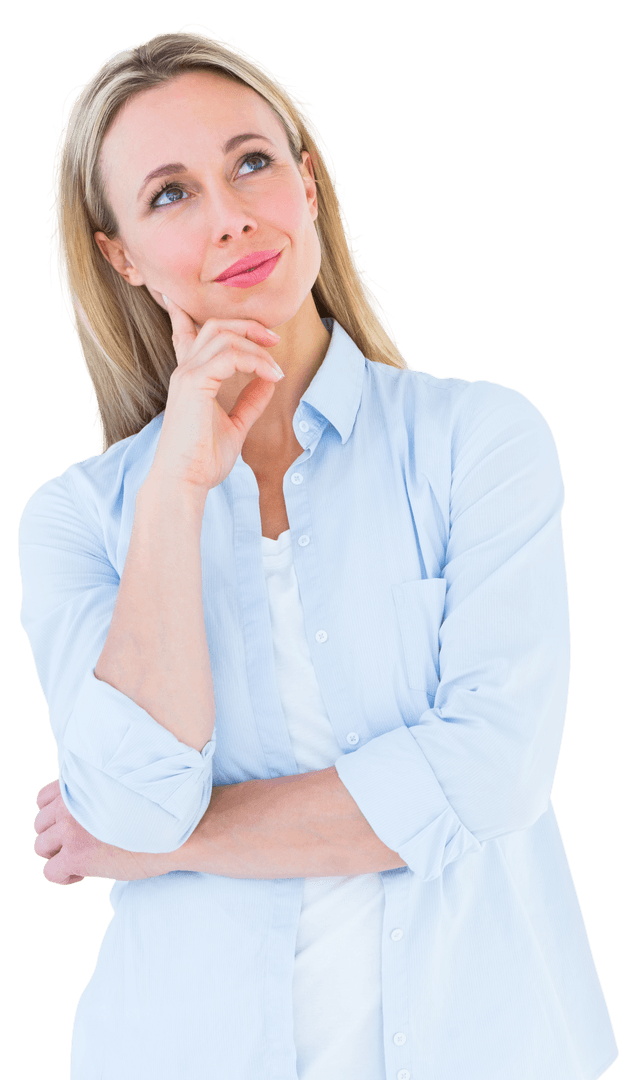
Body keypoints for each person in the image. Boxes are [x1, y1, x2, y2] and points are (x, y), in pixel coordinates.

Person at [19, 26, 618, 1080]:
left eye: (251, 161)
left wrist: (169, 844)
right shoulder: (77, 519)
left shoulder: (479, 439)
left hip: (484, 1045)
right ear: (120, 255)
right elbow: (133, 798)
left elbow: (486, 777)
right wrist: (177, 487)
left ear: (307, 182)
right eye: (169, 194)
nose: (230, 215)